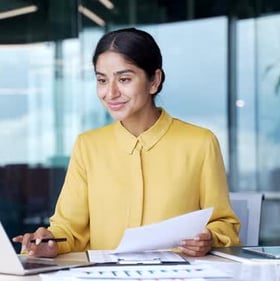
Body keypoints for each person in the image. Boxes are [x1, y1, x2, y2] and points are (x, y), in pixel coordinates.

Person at [12, 27, 240, 258]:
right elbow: (69, 230)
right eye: (102, 80)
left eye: (124, 79)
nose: (110, 92)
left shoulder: (200, 143)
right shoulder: (88, 146)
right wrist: (51, 241)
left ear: (154, 80)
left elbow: (225, 225)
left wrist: (209, 237)